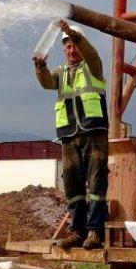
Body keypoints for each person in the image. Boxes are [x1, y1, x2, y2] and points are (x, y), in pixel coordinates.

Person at [32, 20, 109, 250]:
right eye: (67, 46)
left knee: (96, 182)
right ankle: (77, 231)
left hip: (93, 132)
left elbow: (91, 53)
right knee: (73, 186)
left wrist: (71, 33)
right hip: (69, 136)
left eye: (74, 45)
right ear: (63, 50)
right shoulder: (61, 73)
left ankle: (95, 232)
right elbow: (47, 83)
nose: (71, 50)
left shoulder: (93, 66)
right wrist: (40, 67)